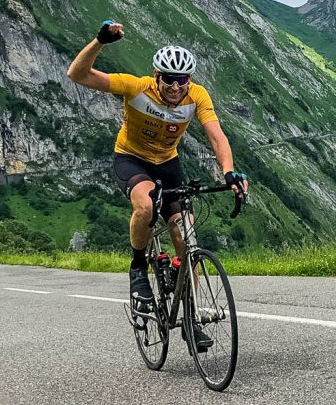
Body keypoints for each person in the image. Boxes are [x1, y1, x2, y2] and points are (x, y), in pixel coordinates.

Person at [67, 20, 248, 351]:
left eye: (183, 80)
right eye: (169, 79)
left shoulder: (197, 96)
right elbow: (77, 75)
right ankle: (138, 265)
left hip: (168, 163)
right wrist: (99, 41)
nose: (176, 87)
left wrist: (229, 172)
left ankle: (191, 320)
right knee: (147, 206)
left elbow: (216, 134)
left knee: (187, 238)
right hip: (131, 159)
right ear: (156, 75)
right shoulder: (136, 88)